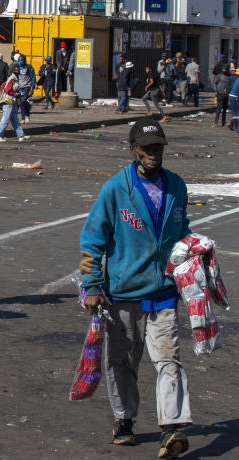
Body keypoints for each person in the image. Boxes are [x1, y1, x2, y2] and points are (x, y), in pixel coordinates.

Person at [79, 117, 192, 459]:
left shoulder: (177, 187)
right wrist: (92, 284)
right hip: (123, 294)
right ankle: (124, 419)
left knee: (169, 359)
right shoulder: (116, 189)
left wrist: (192, 263)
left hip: (163, 293)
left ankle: (171, 429)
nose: (154, 154)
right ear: (133, 150)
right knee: (122, 362)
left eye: (158, 147)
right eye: (147, 148)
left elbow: (182, 233)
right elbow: (92, 240)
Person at [0, 64, 28, 142]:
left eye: (18, 70)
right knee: (5, 119)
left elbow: (3, 86)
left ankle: (21, 136)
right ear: (12, 70)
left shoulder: (13, 78)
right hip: (8, 101)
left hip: (12, 101)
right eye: (16, 70)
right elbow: (8, 90)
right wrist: (16, 94)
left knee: (14, 119)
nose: (18, 71)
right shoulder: (12, 79)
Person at [15, 55, 35, 123]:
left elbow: (33, 77)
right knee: (19, 102)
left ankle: (27, 115)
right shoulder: (16, 67)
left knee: (23, 101)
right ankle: (24, 118)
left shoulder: (29, 67)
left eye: (22, 60)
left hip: (26, 86)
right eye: (19, 60)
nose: (20, 61)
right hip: (18, 87)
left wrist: (32, 87)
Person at [212, 63, 231, 127]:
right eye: (223, 69)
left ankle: (223, 122)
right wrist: (216, 91)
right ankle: (215, 122)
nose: (224, 70)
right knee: (219, 108)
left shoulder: (229, 76)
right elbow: (215, 83)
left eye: (225, 69)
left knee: (225, 109)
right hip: (220, 93)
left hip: (226, 94)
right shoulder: (219, 76)